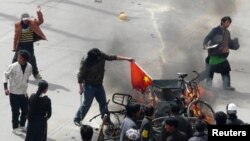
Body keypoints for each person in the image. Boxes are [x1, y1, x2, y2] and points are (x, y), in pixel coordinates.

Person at [73, 48, 134, 126]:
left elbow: (113, 57)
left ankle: (106, 120)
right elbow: (80, 75)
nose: (99, 58)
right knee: (87, 104)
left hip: (99, 85)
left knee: (103, 104)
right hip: (89, 86)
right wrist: (81, 87)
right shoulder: (86, 61)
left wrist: (127, 59)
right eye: (97, 58)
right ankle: (77, 119)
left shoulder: (101, 55)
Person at [203, 16, 239, 91]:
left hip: (222, 55)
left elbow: (229, 43)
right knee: (211, 70)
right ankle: (208, 85)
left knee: (225, 69)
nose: (228, 24)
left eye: (229, 23)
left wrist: (235, 45)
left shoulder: (227, 32)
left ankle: (226, 85)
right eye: (227, 22)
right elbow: (207, 38)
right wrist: (205, 44)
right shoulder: (215, 30)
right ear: (222, 22)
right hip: (214, 54)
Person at [12, 5, 47, 80]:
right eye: (24, 19)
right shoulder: (17, 25)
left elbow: (41, 21)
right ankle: (12, 72)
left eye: (27, 19)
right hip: (21, 45)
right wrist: (14, 47)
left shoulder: (33, 22)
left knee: (32, 60)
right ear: (21, 19)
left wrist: (38, 12)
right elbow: (16, 36)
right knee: (15, 59)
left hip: (29, 45)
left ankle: (36, 73)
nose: (26, 21)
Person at [3, 50, 32, 134]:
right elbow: (5, 75)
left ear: (24, 59)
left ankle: (22, 125)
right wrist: (5, 88)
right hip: (14, 93)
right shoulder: (13, 66)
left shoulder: (29, 67)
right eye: (18, 57)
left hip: (23, 93)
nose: (17, 58)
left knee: (25, 110)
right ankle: (15, 128)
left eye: (19, 57)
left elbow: (27, 78)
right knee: (15, 111)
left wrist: (25, 88)